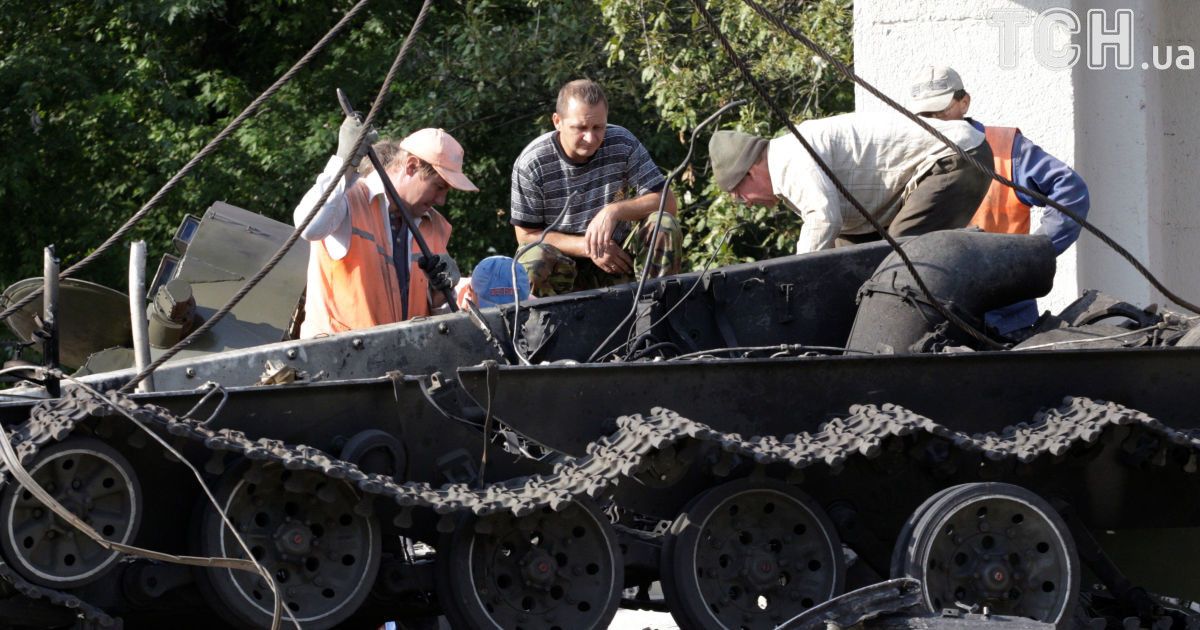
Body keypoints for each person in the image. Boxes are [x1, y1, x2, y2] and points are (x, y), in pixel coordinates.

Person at [910, 65, 1091, 334]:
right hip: (929, 313)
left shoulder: (1005, 148)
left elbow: (1070, 190)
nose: (936, 119)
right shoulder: (907, 152)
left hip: (1003, 319)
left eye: (942, 109)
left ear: (964, 103)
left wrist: (1035, 255)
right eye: (926, 114)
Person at [293, 118, 478, 338]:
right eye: (438, 187)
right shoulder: (348, 201)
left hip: (403, 363)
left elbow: (438, 321)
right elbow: (308, 226)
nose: (441, 200)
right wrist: (343, 163)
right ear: (411, 166)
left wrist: (440, 297)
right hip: (336, 362)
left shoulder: (434, 226)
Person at [708, 112, 992, 254]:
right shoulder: (789, 162)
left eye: (737, 193)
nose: (743, 201)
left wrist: (792, 274)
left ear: (750, 171)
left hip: (955, 157)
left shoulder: (788, 159)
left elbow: (823, 221)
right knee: (850, 263)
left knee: (900, 256)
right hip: (951, 159)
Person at [510, 79, 680, 296]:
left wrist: (614, 211)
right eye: (580, 128)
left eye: (598, 127)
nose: (590, 138)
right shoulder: (532, 163)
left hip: (621, 259)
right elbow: (525, 235)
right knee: (533, 258)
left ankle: (656, 311)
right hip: (564, 266)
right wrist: (589, 246)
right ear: (557, 121)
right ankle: (547, 327)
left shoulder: (622, 143)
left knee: (663, 224)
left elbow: (668, 203)